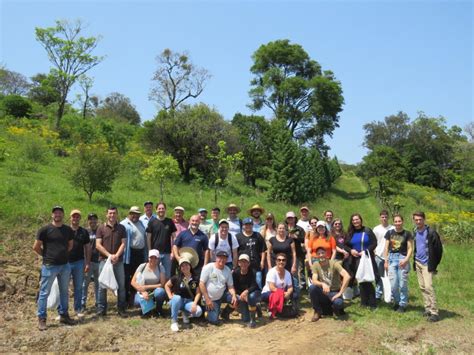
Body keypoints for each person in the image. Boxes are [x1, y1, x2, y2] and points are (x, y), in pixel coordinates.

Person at [34, 205, 75, 330]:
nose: (57, 215)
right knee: (44, 293)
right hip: (49, 266)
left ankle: (63, 315)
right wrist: (46, 256)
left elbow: (70, 245)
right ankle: (42, 319)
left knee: (64, 292)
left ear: (63, 215)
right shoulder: (44, 230)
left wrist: (62, 257)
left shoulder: (68, 230)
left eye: (60, 212)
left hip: (64, 266)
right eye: (55, 213)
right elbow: (36, 247)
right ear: (52, 215)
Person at [95, 206, 127, 317]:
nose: (112, 215)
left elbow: (123, 243)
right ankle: (101, 309)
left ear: (117, 214)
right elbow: (98, 245)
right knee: (102, 285)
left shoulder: (122, 228)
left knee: (121, 286)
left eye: (114, 213)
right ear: (106, 214)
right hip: (104, 261)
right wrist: (109, 256)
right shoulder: (101, 228)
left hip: (118, 261)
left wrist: (117, 255)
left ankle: (121, 309)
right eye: (110, 213)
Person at [412, 211, 443, 322]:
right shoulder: (415, 231)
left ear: (424, 219)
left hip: (427, 264)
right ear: (414, 220)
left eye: (420, 219)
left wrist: (434, 265)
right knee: (422, 286)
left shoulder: (431, 232)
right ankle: (427, 308)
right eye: (416, 220)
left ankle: (434, 312)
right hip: (418, 262)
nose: (418, 221)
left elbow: (439, 250)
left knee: (429, 287)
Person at [345, 213, 378, 309]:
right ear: (352, 222)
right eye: (354, 220)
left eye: (357, 219)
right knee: (361, 280)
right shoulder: (350, 233)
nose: (355, 221)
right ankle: (364, 302)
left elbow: (374, 243)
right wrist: (351, 250)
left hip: (366, 258)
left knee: (367, 280)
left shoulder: (367, 230)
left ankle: (372, 303)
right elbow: (346, 245)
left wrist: (366, 251)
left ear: (361, 220)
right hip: (355, 260)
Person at [309, 247, 351, 321]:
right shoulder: (315, 264)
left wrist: (340, 293)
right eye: (318, 254)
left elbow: (347, 276)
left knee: (338, 303)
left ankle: (334, 309)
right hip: (324, 292)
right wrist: (322, 284)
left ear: (327, 254)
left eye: (322, 253)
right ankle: (317, 311)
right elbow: (314, 280)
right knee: (312, 287)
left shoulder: (334, 263)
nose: (321, 255)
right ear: (317, 256)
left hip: (335, 291)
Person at [383, 214, 413, 313]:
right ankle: (396, 301)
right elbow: (386, 248)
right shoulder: (389, 233)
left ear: (402, 222)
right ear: (393, 222)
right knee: (393, 283)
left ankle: (403, 304)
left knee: (402, 283)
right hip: (391, 259)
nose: (397, 223)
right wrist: (386, 261)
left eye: (399, 221)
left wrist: (406, 260)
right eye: (395, 221)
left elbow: (410, 248)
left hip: (402, 259)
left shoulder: (407, 233)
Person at [199, 250, 238, 325]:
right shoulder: (208, 267)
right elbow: (201, 284)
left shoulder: (227, 270)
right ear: (216, 258)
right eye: (220, 257)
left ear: (227, 260)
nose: (222, 260)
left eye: (224, 258)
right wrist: (207, 299)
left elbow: (230, 286)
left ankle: (225, 313)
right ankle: (208, 311)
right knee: (214, 320)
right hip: (210, 298)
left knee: (237, 299)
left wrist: (233, 295)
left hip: (221, 296)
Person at [165, 257, 202, 332]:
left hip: (188, 302)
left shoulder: (195, 278)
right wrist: (170, 296)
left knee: (198, 312)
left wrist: (194, 303)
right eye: (182, 266)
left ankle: (185, 313)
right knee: (177, 298)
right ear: (180, 268)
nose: (185, 267)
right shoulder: (177, 277)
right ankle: (174, 321)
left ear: (190, 266)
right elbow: (166, 285)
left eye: (186, 265)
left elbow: (198, 293)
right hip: (178, 301)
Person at [121, 206, 147, 306]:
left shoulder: (140, 223)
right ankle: (126, 299)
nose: (136, 215)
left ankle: (135, 298)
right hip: (130, 254)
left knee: (138, 277)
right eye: (134, 213)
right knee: (127, 277)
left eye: (137, 214)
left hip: (140, 253)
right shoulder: (124, 224)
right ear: (130, 213)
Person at [68, 209, 91, 319]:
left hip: (79, 262)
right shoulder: (65, 230)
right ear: (70, 218)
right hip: (65, 263)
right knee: (63, 288)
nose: (75, 219)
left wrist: (87, 262)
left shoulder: (84, 232)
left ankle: (77, 309)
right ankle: (62, 310)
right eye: (74, 216)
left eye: (77, 217)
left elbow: (87, 247)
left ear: (80, 219)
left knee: (78, 287)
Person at [130, 249, 167, 317]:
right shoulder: (142, 266)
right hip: (142, 291)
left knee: (160, 292)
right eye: (151, 257)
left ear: (158, 259)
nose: (153, 259)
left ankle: (158, 309)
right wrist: (142, 291)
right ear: (148, 258)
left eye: (155, 258)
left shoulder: (160, 267)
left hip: (155, 291)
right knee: (136, 302)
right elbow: (133, 282)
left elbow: (162, 284)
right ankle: (147, 309)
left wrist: (146, 287)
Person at [146, 202, 177, 280]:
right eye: (159, 208)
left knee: (167, 275)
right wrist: (150, 251)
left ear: (165, 210)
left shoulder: (170, 222)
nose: (161, 210)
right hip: (155, 254)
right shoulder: (152, 222)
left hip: (167, 253)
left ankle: (166, 291)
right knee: (155, 274)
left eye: (163, 208)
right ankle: (156, 291)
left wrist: (173, 252)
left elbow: (174, 238)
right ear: (156, 210)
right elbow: (148, 238)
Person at [229, 254, 261, 328]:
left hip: (253, 292)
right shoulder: (235, 273)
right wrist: (240, 296)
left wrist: (246, 292)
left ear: (249, 263)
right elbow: (234, 287)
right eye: (241, 262)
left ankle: (253, 321)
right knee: (245, 319)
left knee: (251, 297)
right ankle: (256, 307)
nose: (243, 264)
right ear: (238, 263)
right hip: (242, 295)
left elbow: (254, 285)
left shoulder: (253, 271)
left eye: (245, 262)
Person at [261, 253, 297, 318]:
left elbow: (290, 287)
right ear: (276, 261)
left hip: (281, 293)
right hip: (269, 293)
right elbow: (272, 288)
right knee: (274, 295)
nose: (281, 262)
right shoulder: (272, 272)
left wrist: (288, 293)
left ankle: (282, 308)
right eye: (279, 260)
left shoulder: (288, 273)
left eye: (283, 260)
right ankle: (271, 309)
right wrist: (282, 293)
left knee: (295, 295)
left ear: (286, 262)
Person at [236, 218, 267, 289]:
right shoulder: (238, 237)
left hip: (256, 264)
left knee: (258, 281)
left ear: (252, 225)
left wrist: (262, 261)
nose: (248, 226)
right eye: (246, 225)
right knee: (245, 283)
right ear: (243, 226)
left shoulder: (257, 235)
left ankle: (259, 298)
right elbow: (235, 252)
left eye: (250, 225)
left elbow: (263, 250)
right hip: (243, 265)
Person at [81, 213, 100, 314]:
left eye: (94, 219)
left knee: (98, 283)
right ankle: (83, 303)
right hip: (88, 261)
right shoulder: (85, 231)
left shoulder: (100, 230)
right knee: (85, 284)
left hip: (98, 261)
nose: (92, 221)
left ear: (97, 220)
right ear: (88, 221)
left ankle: (98, 302)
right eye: (90, 220)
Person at [373, 210, 394, 301]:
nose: (384, 218)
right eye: (382, 217)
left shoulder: (392, 228)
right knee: (378, 276)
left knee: (391, 276)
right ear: (380, 218)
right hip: (378, 255)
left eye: (386, 217)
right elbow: (374, 242)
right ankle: (378, 294)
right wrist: (374, 252)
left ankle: (391, 295)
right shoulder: (376, 229)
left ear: (388, 217)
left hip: (391, 256)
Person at [285, 211, 306, 290]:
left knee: (297, 271)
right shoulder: (284, 228)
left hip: (298, 253)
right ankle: (289, 286)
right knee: (287, 271)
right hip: (286, 253)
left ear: (295, 218)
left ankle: (299, 288)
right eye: (288, 218)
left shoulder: (299, 229)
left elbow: (304, 240)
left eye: (291, 218)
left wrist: (296, 237)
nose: (290, 219)